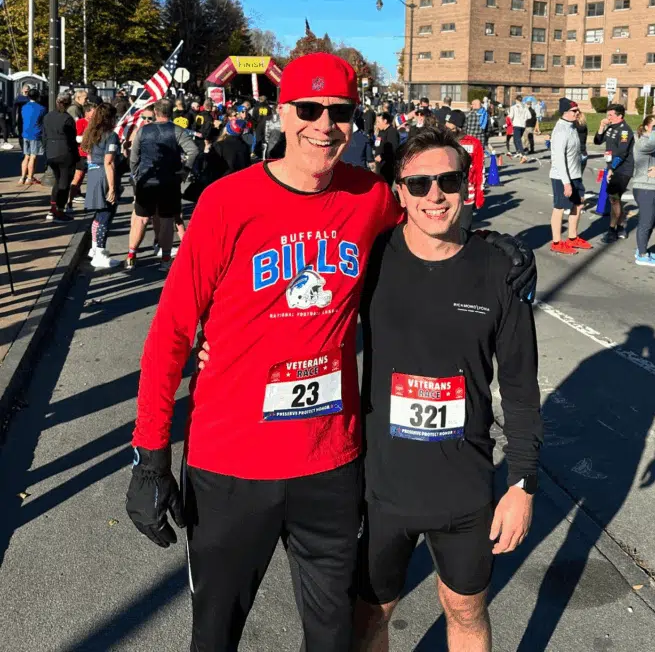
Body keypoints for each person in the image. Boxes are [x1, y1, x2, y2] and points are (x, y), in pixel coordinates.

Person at [128, 52, 536, 652]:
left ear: (353, 118)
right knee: (214, 633)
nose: (324, 125)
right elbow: (170, 335)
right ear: (283, 112)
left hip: (329, 464)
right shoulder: (227, 201)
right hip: (232, 463)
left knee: (332, 636)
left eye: (339, 111)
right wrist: (150, 454)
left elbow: (429, 211)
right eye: (309, 109)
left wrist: (490, 245)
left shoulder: (369, 195)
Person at [354, 127, 541, 652]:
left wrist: (522, 485)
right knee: (370, 614)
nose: (434, 196)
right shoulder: (371, 261)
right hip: (383, 483)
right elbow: (301, 313)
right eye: (418, 184)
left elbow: (522, 389)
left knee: (464, 608)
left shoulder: (500, 271)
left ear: (466, 185)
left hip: (464, 485)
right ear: (397, 191)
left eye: (448, 180)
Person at [127, 97, 198, 271]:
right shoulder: (177, 131)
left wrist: (136, 175)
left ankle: (131, 255)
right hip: (169, 181)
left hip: (146, 179)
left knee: (141, 218)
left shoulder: (143, 131)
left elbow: (134, 156)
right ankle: (165, 259)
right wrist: (185, 170)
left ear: (156, 112)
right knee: (166, 220)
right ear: (171, 112)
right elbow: (193, 150)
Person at [549, 98, 592, 255]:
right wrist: (566, 183)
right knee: (559, 207)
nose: (577, 113)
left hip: (575, 175)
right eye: (574, 111)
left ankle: (572, 238)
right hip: (561, 176)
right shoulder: (560, 130)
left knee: (578, 204)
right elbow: (559, 159)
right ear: (565, 112)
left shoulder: (572, 127)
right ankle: (556, 242)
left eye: (577, 110)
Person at [81, 104, 122, 270]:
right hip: (104, 175)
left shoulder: (91, 133)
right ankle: (100, 253)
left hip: (93, 173)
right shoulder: (111, 136)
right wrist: (112, 188)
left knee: (99, 215)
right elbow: (109, 162)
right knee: (106, 214)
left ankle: (95, 249)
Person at [594, 103, 634, 243]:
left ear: (619, 116)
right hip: (612, 167)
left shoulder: (625, 131)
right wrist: (601, 127)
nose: (608, 117)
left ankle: (612, 230)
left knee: (614, 198)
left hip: (622, 170)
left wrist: (612, 168)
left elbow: (622, 153)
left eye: (610, 115)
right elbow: (597, 141)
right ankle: (621, 225)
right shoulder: (611, 127)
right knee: (615, 199)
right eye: (607, 114)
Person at [632, 115, 655, 267]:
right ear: (646, 127)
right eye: (653, 125)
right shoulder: (641, 143)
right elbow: (651, 144)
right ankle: (641, 255)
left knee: (654, 220)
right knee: (646, 221)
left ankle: (642, 248)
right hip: (644, 187)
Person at [445, 110, 485, 235]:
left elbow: (480, 170)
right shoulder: (443, 142)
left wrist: (479, 195)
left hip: (468, 193)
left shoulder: (474, 143)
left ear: (456, 125)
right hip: (447, 190)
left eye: (449, 123)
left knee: (464, 230)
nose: (446, 125)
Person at [41, 94, 79, 223]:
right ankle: (60, 210)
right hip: (64, 152)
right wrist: (76, 156)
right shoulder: (67, 119)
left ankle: (52, 208)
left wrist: (46, 151)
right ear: (69, 104)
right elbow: (71, 140)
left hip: (51, 152)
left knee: (57, 181)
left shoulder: (48, 116)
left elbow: (44, 136)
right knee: (64, 183)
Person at [69, 101, 97, 209]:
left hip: (94, 155)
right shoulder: (80, 122)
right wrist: (88, 137)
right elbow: (77, 138)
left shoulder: (96, 124)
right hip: (82, 154)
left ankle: (90, 202)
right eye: (93, 113)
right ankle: (69, 201)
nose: (94, 116)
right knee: (78, 177)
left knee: (93, 179)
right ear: (86, 112)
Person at [19, 87, 46, 186]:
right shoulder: (41, 108)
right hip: (35, 133)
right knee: (33, 157)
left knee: (26, 156)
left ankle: (22, 177)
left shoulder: (24, 107)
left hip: (25, 133)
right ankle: (29, 178)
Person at [374, 111, 400, 186]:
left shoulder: (392, 132)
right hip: (379, 165)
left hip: (387, 166)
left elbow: (393, 149)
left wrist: (382, 156)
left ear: (385, 121)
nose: (377, 124)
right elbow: (378, 144)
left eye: (378, 122)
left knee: (385, 186)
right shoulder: (381, 132)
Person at [509, 95, 528, 162]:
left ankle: (523, 155)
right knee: (515, 139)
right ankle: (518, 152)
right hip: (522, 125)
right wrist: (523, 119)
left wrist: (507, 118)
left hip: (516, 125)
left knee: (518, 140)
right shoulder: (525, 107)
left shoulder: (513, 107)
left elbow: (511, 116)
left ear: (516, 100)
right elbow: (529, 116)